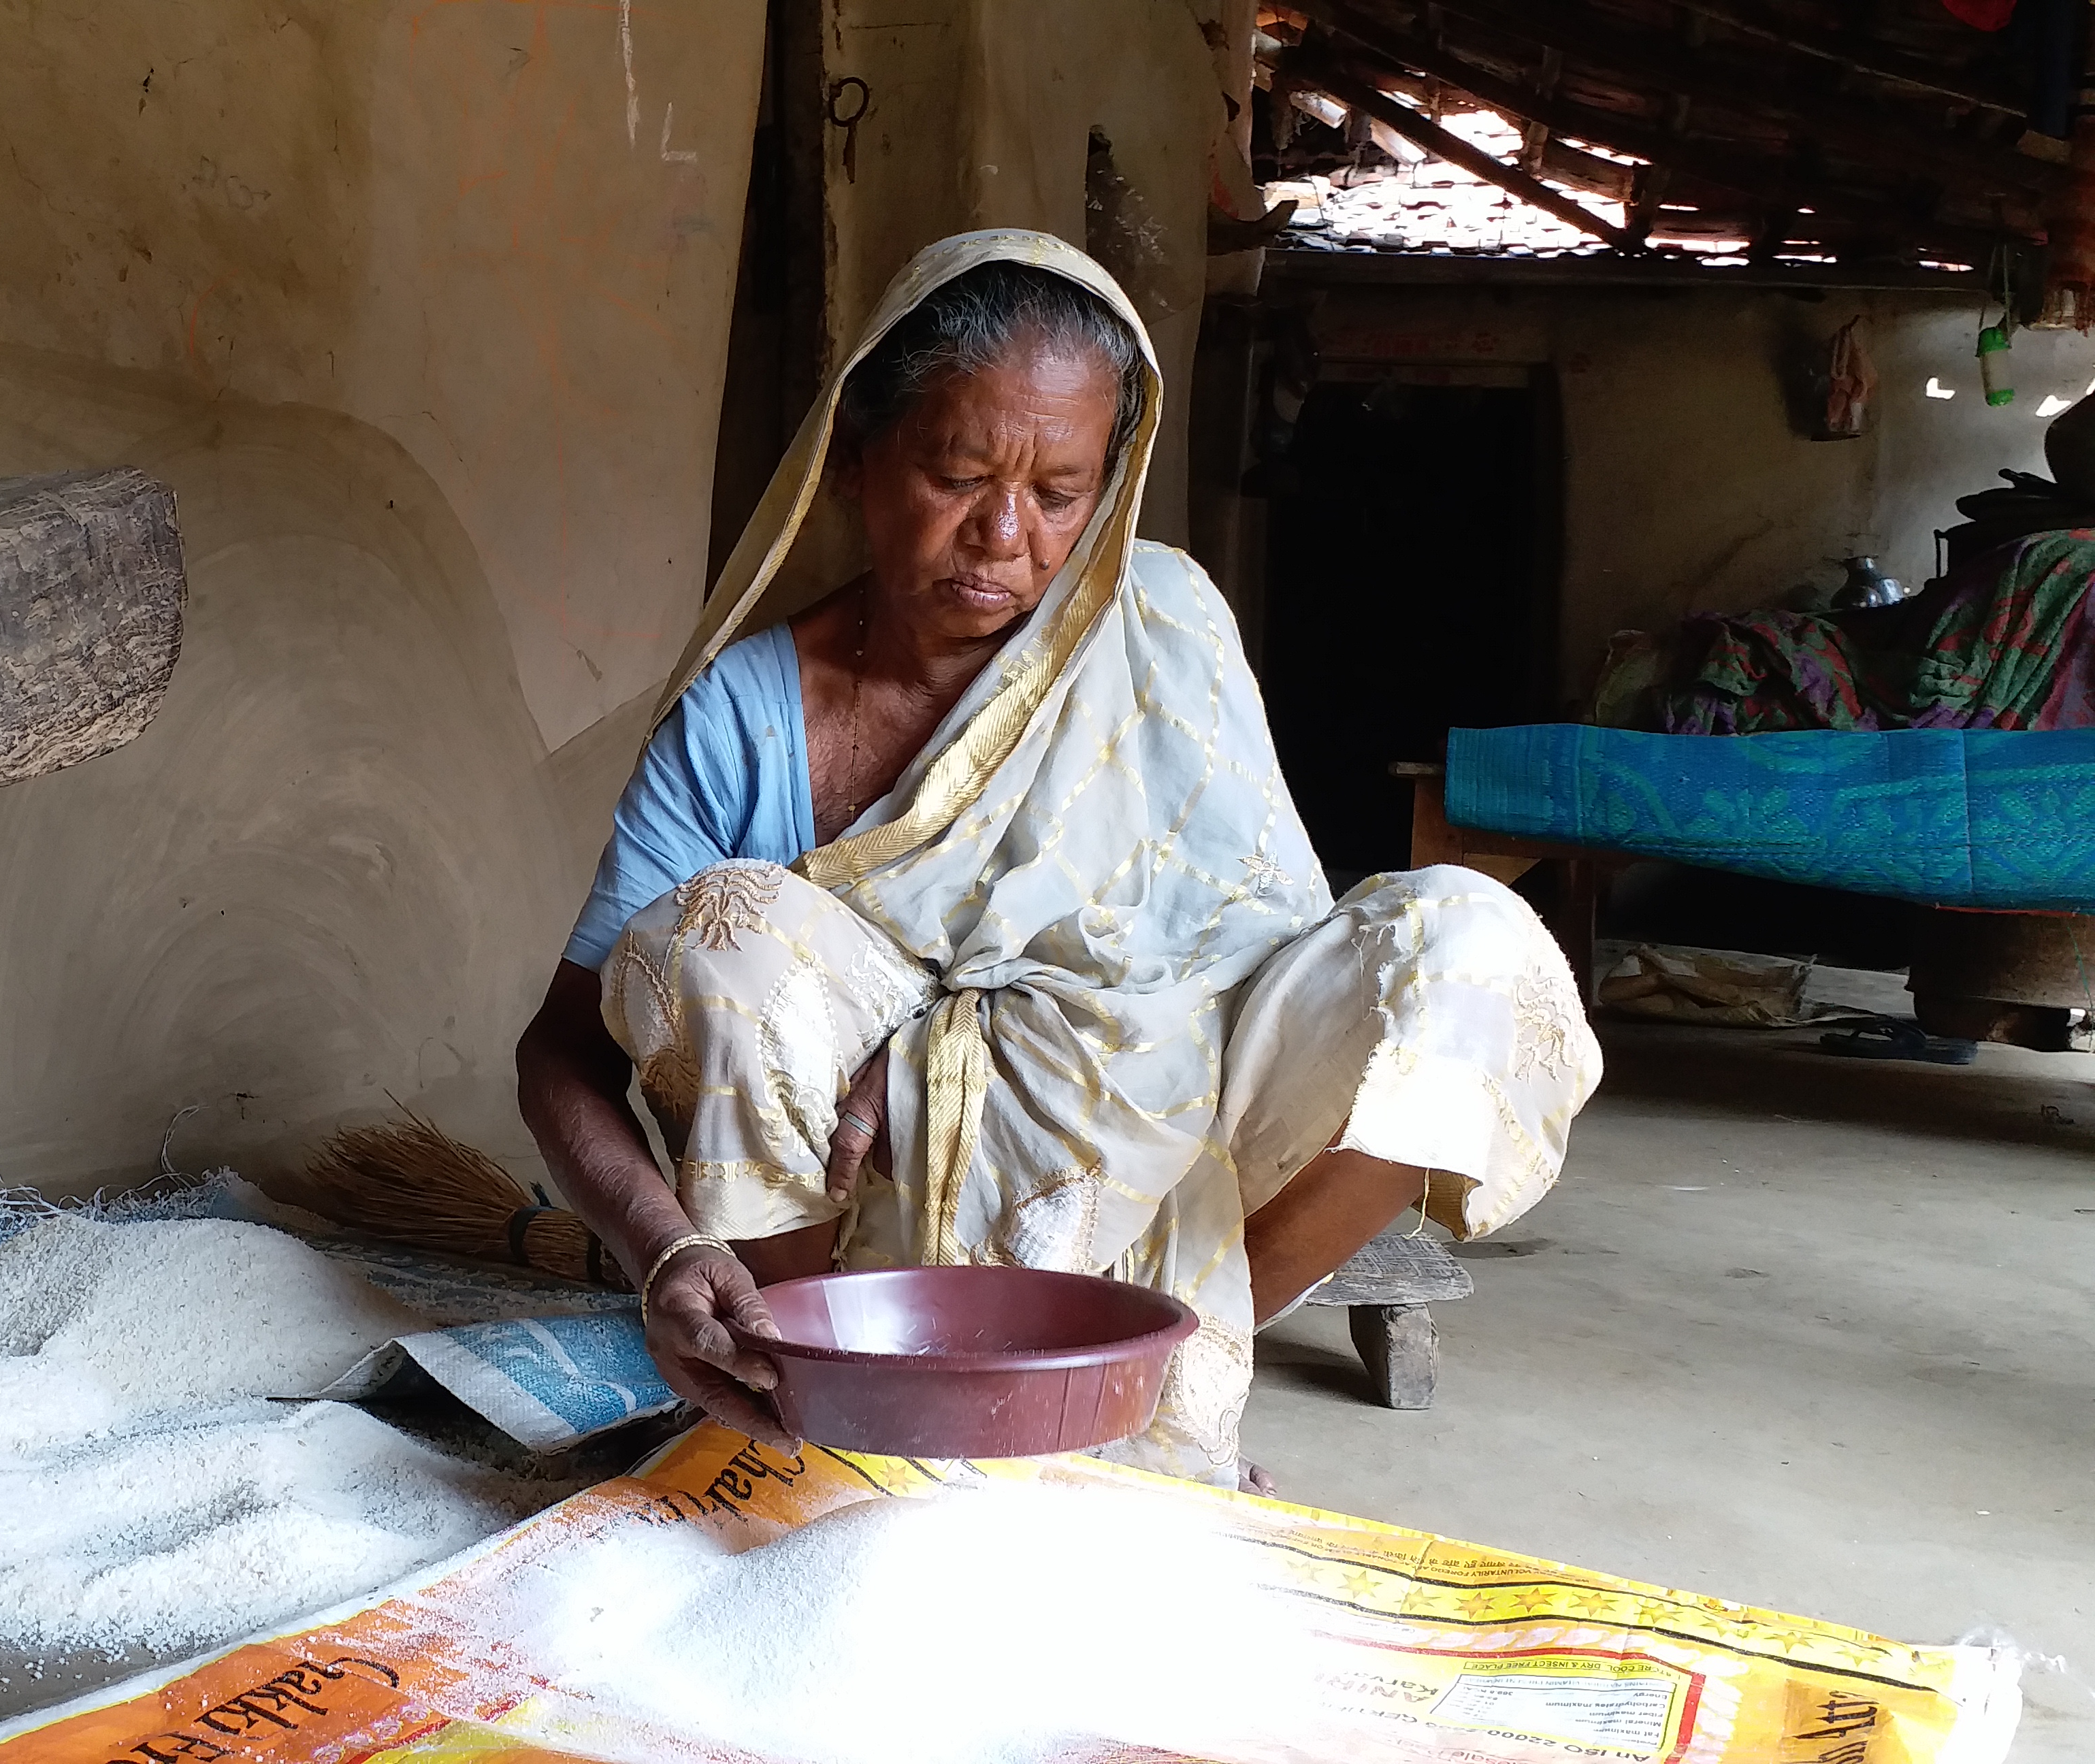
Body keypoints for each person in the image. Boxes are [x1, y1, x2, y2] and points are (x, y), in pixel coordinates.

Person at [514, 230, 1602, 1486]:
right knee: (728, 930)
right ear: (857, 457)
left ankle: (1166, 1351)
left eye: (1061, 491)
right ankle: (812, 1399)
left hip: (1170, 1121)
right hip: (863, 1218)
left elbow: (1229, 956)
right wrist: (661, 1248)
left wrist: (968, 1034)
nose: (1006, 537)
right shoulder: (744, 720)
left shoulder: (1165, 626)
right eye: (960, 472)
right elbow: (561, 1050)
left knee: (1468, 949)